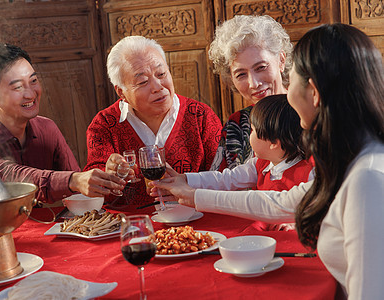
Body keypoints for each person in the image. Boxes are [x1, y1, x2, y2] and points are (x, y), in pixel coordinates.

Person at [153, 23, 384, 299]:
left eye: (292, 74)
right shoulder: (350, 155)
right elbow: (283, 202)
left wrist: (193, 194)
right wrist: (193, 193)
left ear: (313, 92)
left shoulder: (366, 178)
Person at [0, 42, 126, 204]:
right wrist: (73, 180)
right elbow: (10, 178)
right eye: (17, 87)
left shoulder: (47, 128)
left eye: (33, 81)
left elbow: (78, 189)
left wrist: (107, 178)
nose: (31, 93)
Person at [83, 35, 222, 208]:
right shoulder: (104, 125)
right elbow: (94, 187)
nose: (158, 87)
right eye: (143, 82)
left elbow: (224, 180)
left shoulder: (200, 116)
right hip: (132, 228)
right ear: (121, 92)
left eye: (161, 74)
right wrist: (109, 174)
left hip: (196, 224)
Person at [176, 94, 314, 230]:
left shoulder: (309, 173)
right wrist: (186, 179)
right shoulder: (260, 164)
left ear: (273, 142)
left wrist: (293, 224)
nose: (249, 134)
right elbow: (226, 179)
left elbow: (315, 214)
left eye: (252, 130)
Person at [208, 15, 293, 171]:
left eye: (261, 67)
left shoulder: (308, 115)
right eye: (241, 74)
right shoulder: (237, 125)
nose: (254, 83)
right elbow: (219, 184)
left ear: (281, 60)